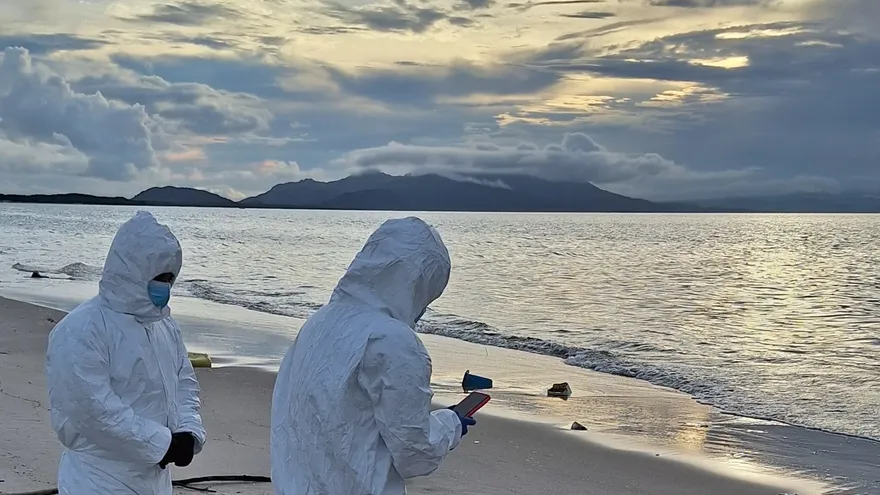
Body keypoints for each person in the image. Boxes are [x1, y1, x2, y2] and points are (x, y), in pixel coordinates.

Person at [271, 216, 475, 495]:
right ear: (417, 283)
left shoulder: (318, 323)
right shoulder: (393, 341)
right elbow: (415, 452)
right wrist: (451, 424)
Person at [45, 210, 206, 495]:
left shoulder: (165, 327)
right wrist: (163, 444)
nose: (165, 286)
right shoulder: (81, 329)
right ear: (132, 271)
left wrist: (188, 430)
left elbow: (184, 382)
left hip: (155, 478)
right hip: (98, 480)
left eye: (169, 278)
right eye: (159, 277)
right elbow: (93, 410)